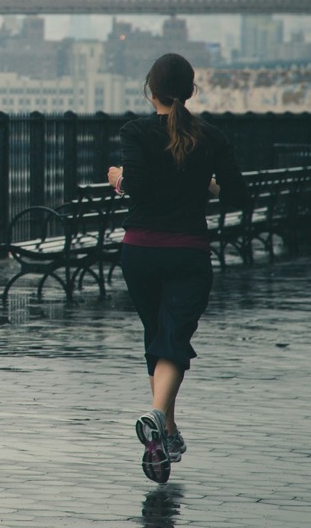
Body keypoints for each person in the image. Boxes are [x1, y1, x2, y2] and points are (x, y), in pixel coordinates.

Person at [107, 52, 250, 484]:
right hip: (188, 253)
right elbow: (238, 197)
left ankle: (166, 431)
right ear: (189, 91)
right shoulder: (210, 137)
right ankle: (159, 421)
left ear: (151, 90)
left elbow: (139, 185)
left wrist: (116, 176)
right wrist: (205, 181)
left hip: (141, 251)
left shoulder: (135, 131)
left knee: (158, 338)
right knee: (173, 339)